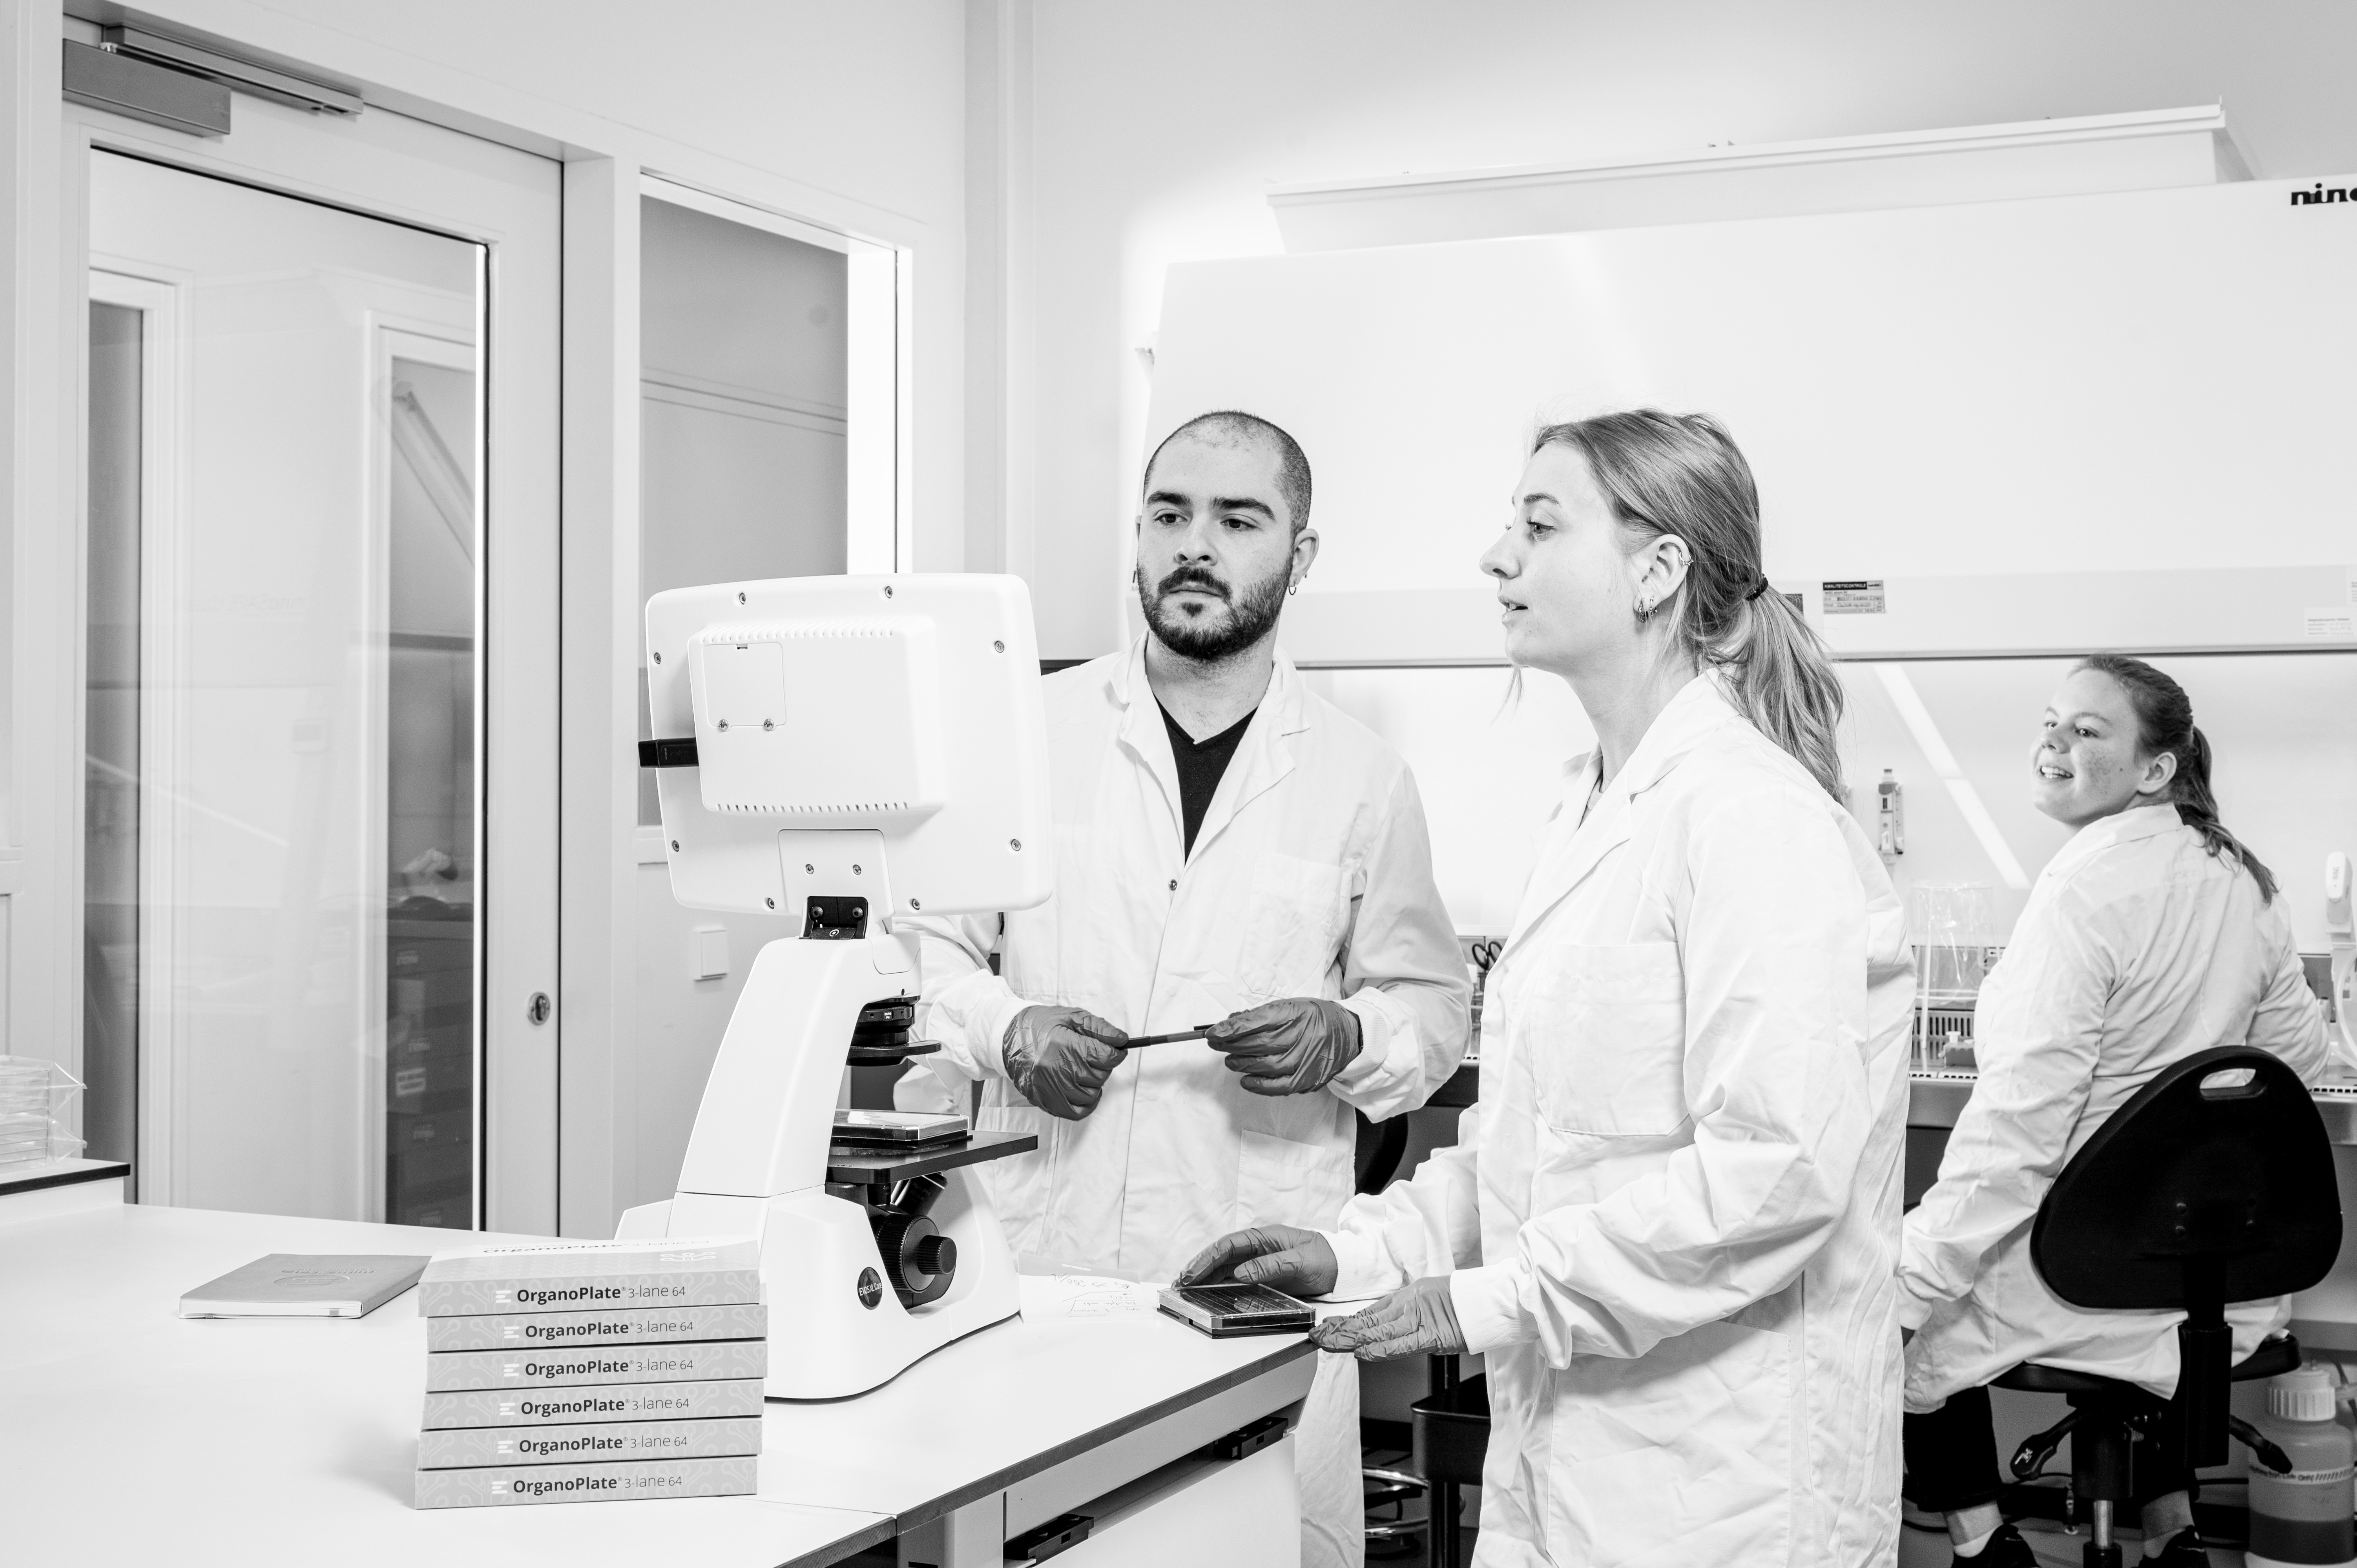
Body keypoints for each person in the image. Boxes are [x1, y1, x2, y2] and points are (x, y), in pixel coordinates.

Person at [1183, 409, 1915, 1566]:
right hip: (1570, 1458)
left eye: (1537, 524)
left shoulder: (1750, 818)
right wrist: (1361, 1253)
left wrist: (1492, 1299)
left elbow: (1774, 1173)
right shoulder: (1587, 808)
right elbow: (1529, 1151)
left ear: (1654, 570)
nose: (1495, 557)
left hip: (1723, 1482)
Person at [898, 409, 1470, 1568]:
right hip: (1032, 1277)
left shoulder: (1361, 777)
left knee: (1243, 1538)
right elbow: (917, 953)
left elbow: (1434, 1013)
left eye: (1236, 518)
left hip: (1243, 1287)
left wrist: (1347, 1033)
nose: (1194, 545)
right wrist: (1005, 1028)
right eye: (1169, 514)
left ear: (1298, 556)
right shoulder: (1022, 737)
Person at [1897, 655, 2328, 1567]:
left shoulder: (2081, 895)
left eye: (2088, 731)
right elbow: (2298, 1062)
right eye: (2050, 722)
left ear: (2155, 769)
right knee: (2154, 1285)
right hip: (2212, 1287)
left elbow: (2018, 1137)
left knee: (1888, 1324)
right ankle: (2173, 1530)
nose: (2052, 742)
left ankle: (1982, 1542)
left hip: (2080, 1279)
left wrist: (1909, 1282)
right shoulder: (2244, 882)